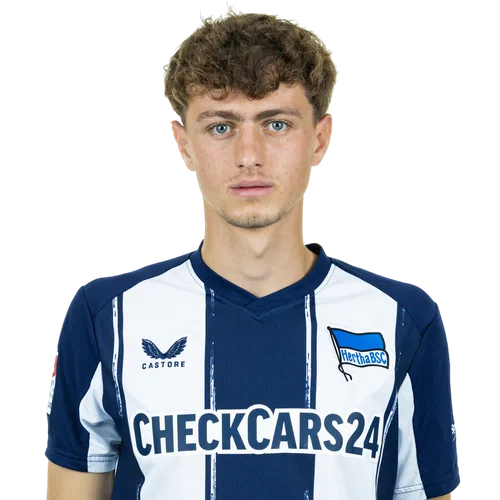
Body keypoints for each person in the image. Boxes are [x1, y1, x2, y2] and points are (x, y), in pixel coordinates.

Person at [44, 4, 461, 499]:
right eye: (221, 127)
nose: (249, 156)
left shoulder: (404, 319)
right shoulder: (104, 316)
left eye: (276, 124)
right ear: (184, 144)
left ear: (320, 139)